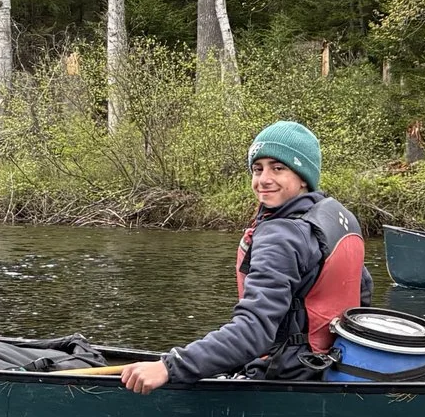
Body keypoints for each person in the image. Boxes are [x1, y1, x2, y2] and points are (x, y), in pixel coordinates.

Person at [120, 121, 369, 393]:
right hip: (328, 368)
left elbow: (254, 331)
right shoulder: (335, 219)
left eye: (278, 168)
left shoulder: (281, 235)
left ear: (302, 177)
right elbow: (362, 292)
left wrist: (170, 366)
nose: (263, 179)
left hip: (284, 378)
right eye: (257, 168)